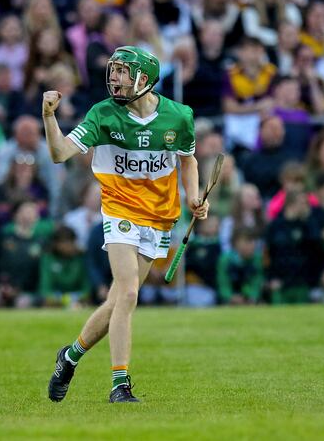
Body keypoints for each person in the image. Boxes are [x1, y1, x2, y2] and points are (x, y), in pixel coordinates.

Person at [42, 45, 207, 403]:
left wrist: (193, 197)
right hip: (118, 210)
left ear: (143, 80)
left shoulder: (179, 117)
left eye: (122, 73)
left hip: (160, 217)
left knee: (117, 300)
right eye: (113, 71)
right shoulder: (102, 115)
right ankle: (120, 385)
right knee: (129, 292)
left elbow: (188, 161)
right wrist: (49, 117)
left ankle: (68, 358)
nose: (114, 79)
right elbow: (58, 154)